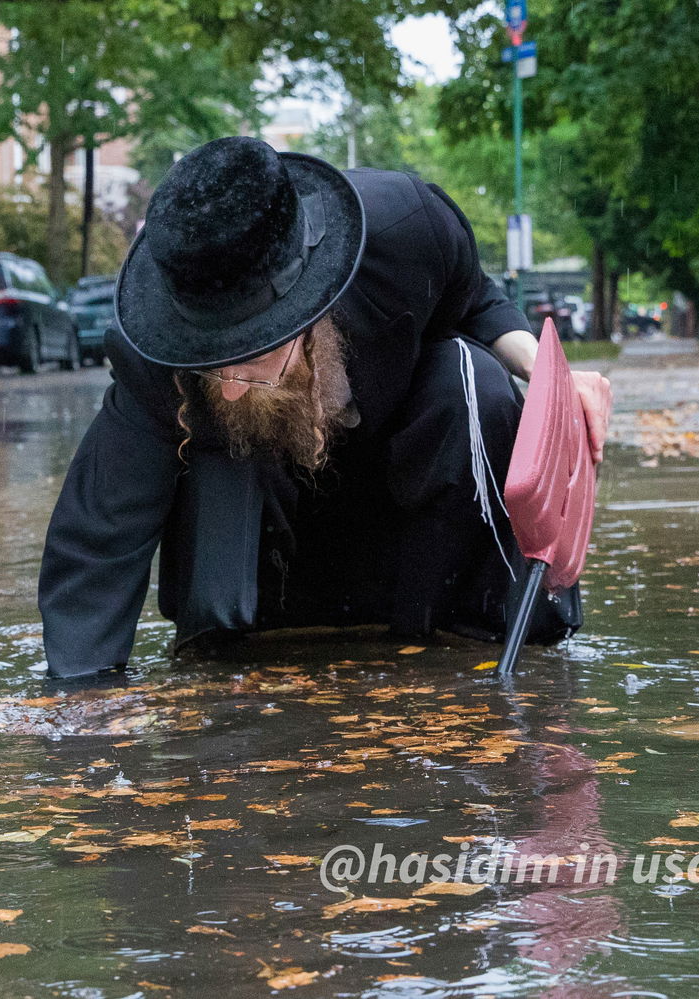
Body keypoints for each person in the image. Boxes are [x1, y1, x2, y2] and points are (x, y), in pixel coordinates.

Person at [39, 136, 612, 681]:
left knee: (472, 375)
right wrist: (83, 696)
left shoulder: (406, 229)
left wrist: (549, 376)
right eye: (214, 364)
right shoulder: (151, 345)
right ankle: (229, 641)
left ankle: (477, 621)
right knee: (204, 441)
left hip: (412, 531)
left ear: (310, 308)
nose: (232, 389)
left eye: (250, 357)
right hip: (270, 563)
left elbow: (475, 299)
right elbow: (100, 533)